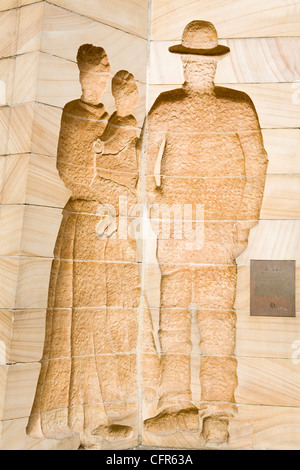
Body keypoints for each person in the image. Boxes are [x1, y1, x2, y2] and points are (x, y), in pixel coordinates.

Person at [144, 21, 268, 443]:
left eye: (205, 61)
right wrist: (157, 202)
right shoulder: (166, 106)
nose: (198, 67)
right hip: (177, 224)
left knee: (217, 320)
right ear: (182, 61)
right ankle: (175, 402)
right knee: (173, 316)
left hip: (219, 227)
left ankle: (218, 410)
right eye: (192, 60)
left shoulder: (238, 106)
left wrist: (245, 219)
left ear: (215, 63)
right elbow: (144, 166)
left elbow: (257, 164)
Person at [27, 45, 139, 449]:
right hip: (89, 228)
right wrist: (124, 195)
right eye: (94, 73)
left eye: (104, 73)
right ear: (82, 77)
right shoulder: (75, 114)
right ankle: (86, 418)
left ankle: (109, 409)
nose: (99, 80)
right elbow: (76, 175)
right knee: (85, 323)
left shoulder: (115, 123)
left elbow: (129, 171)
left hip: (115, 228)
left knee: (114, 318)